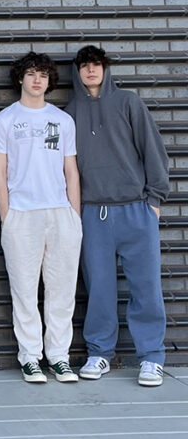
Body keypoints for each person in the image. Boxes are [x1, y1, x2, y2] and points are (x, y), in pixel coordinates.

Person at [66, 45, 170, 387]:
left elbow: (153, 151)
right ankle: (100, 353)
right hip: (94, 213)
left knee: (146, 287)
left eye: (96, 64)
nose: (91, 70)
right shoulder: (69, 113)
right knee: (98, 289)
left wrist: (153, 200)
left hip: (136, 210)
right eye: (85, 66)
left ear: (105, 69)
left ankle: (151, 357)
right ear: (77, 72)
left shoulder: (129, 102)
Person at [0, 51, 81, 384]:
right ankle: (30, 357)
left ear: (49, 81)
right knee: (25, 291)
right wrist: (7, 216)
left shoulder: (62, 120)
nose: (37, 79)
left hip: (60, 215)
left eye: (42, 74)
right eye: (30, 73)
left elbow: (70, 170)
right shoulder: (4, 120)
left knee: (61, 290)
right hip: (21, 216)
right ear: (20, 79)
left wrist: (75, 216)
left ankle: (59, 357)